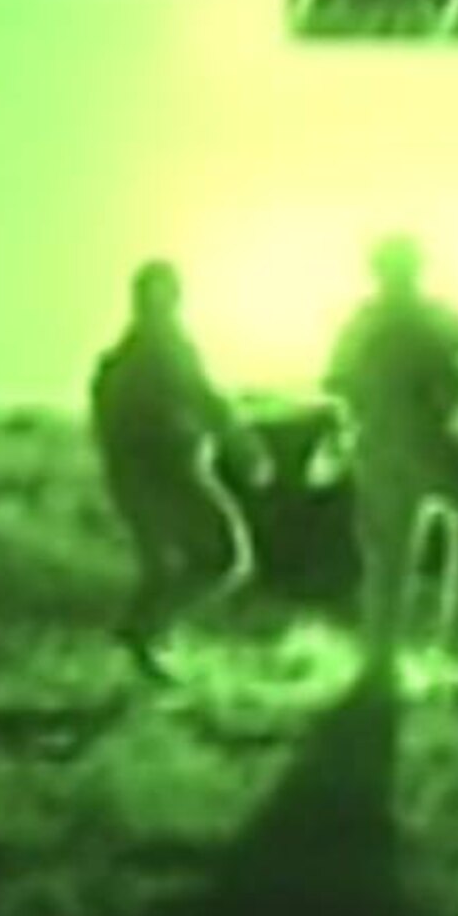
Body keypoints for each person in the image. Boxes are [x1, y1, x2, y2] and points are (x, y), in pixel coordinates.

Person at [89, 259, 272, 683]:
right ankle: (146, 631)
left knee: (163, 567)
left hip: (135, 475)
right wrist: (243, 447)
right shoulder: (161, 347)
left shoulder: (121, 356)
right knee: (226, 556)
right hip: (168, 471)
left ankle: (148, 639)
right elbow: (203, 397)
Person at [323, 234, 458, 683]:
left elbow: (336, 381)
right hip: (418, 439)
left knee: (392, 554)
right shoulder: (425, 316)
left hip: (390, 442)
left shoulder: (369, 320)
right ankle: (450, 642)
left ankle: (390, 656)